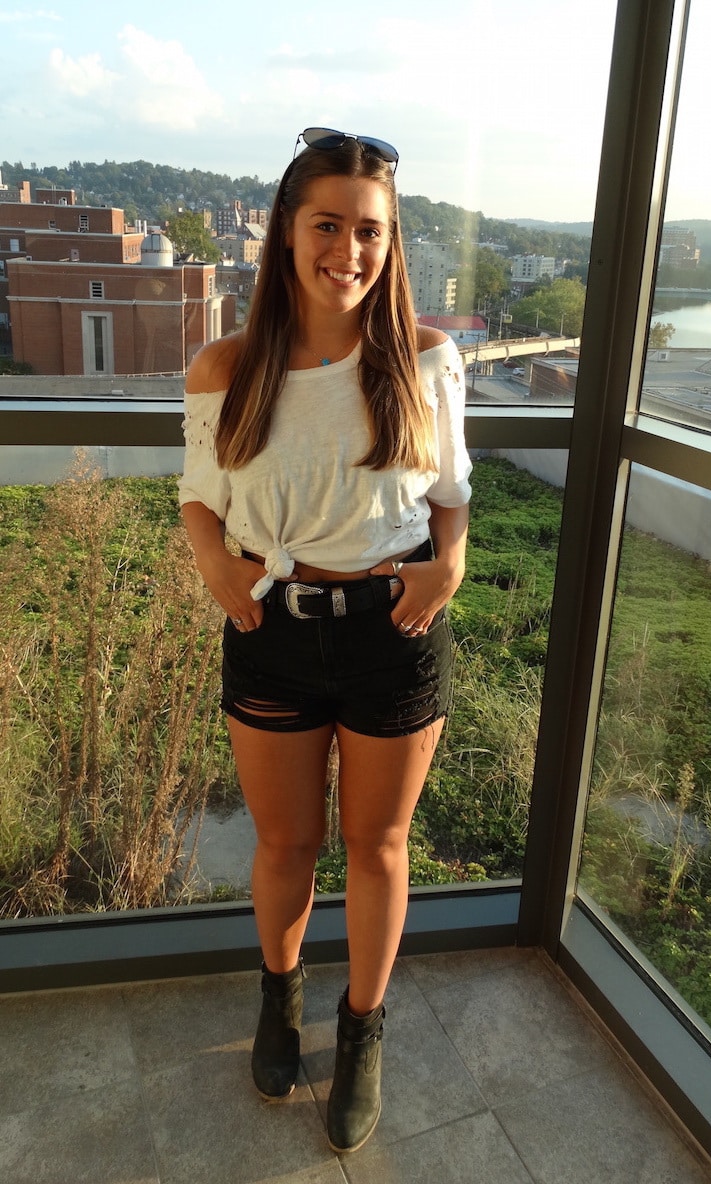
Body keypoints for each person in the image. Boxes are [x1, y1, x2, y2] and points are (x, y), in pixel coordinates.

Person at [178, 126, 471, 1154]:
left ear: (391, 244)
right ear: (285, 233)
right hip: (273, 630)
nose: (349, 248)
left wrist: (452, 565)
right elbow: (200, 501)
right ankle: (279, 999)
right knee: (284, 844)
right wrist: (216, 566)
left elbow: (450, 498)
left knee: (377, 847)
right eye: (328, 224)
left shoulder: (425, 360)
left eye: (371, 230)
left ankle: (362, 1030)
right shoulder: (226, 367)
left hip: (394, 630)